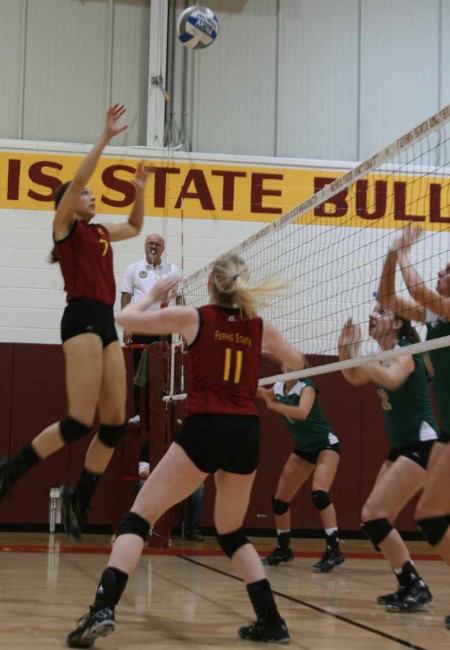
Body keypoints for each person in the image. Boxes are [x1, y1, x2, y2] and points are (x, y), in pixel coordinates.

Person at [66, 252, 306, 647]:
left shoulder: (194, 318)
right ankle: (272, 621)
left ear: (211, 284)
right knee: (231, 531)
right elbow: (295, 361)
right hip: (246, 432)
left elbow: (124, 320)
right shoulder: (259, 326)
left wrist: (154, 294)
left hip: (206, 428)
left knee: (138, 518)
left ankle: (102, 609)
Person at [0, 104, 150, 543]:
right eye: (85, 195)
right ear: (69, 201)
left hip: (105, 321)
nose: (91, 196)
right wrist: (104, 138)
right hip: (81, 316)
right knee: (79, 420)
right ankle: (14, 468)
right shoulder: (64, 227)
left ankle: (78, 497)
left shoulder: (102, 232)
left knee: (115, 423)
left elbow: (137, 225)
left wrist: (139, 188)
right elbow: (80, 181)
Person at [338, 302, 438, 613]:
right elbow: (352, 377)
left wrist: (362, 360)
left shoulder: (406, 349)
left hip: (423, 444)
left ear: (396, 324)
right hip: (402, 447)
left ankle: (415, 586)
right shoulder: (382, 355)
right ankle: (409, 584)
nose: (372, 314)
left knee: (375, 515)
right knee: (373, 521)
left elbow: (393, 379)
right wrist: (345, 351)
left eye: (381, 312)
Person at [377, 225, 450, 629]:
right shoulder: (436, 321)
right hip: (446, 434)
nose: (442, 270)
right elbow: (389, 298)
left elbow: (420, 291)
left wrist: (404, 251)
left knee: (433, 517)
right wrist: (391, 255)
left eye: (449, 269)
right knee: (431, 518)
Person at [258, 362, 344, 572]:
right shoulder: (278, 386)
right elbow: (260, 391)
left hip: (326, 444)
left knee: (319, 494)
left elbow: (303, 412)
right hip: (304, 448)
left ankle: (334, 549)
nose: (287, 363)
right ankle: (283, 549)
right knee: (280, 501)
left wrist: (274, 404)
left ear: (303, 367)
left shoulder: (307, 387)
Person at [121, 233, 179, 429]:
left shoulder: (172, 270)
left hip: (164, 327)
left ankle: (169, 414)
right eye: (150, 244)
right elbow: (126, 298)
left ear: (163, 249)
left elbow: (179, 299)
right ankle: (138, 414)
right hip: (140, 326)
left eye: (157, 244)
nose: (153, 247)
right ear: (145, 247)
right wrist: (127, 325)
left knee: (166, 374)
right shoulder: (133, 269)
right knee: (139, 373)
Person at [137, 437, 205, 541]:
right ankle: (144, 529)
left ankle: (192, 531)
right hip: (156, 480)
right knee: (142, 484)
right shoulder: (150, 444)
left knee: (199, 487)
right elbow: (143, 472)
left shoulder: (183, 443)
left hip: (176, 481)